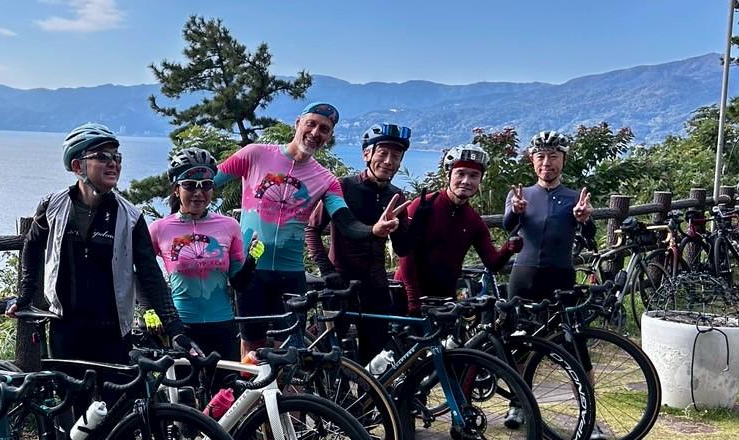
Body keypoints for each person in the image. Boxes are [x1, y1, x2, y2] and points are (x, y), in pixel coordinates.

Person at [13, 122, 192, 440]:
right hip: (66, 331)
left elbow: (151, 276)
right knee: (77, 421)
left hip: (113, 333)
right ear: (78, 166)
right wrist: (24, 295)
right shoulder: (53, 207)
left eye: (117, 158)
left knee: (121, 423)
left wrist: (175, 328)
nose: (113, 164)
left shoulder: (130, 216)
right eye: (103, 158)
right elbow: (31, 249)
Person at [214, 102, 357, 354]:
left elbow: (346, 222)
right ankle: (248, 381)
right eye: (311, 124)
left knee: (290, 349)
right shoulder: (254, 154)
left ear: (329, 136)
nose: (315, 133)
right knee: (251, 347)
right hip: (250, 271)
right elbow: (207, 182)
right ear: (298, 123)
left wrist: (375, 229)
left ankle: (284, 384)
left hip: (290, 275)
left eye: (324, 129)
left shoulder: (326, 180)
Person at [305, 123, 412, 363]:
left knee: (374, 358)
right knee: (326, 354)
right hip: (340, 283)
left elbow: (402, 248)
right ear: (367, 154)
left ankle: (364, 390)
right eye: (382, 153)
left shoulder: (396, 196)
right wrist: (327, 271)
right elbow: (312, 229)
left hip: (376, 286)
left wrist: (413, 224)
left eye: (396, 156)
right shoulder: (344, 187)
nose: (388, 161)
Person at [148, 146, 259, 372]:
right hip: (182, 327)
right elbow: (142, 272)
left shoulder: (229, 226)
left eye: (206, 185)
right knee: (187, 393)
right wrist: (148, 309)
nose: (199, 193)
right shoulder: (159, 229)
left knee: (227, 391)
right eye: (190, 185)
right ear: (176, 189)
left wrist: (252, 261)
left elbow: (239, 283)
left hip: (223, 326)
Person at [394, 143, 521, 314]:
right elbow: (406, 255)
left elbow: (492, 263)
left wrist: (509, 248)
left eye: (474, 175)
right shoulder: (424, 205)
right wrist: (413, 298)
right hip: (406, 296)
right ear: (449, 175)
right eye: (460, 173)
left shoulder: (473, 220)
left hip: (444, 299)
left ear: (480, 180)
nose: (466, 181)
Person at [502, 131, 595, 303]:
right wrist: (515, 211)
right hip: (523, 276)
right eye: (540, 157)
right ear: (532, 160)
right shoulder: (520, 195)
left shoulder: (575, 198)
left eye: (553, 156)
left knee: (561, 322)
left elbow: (590, 234)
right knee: (516, 321)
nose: (546, 163)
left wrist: (585, 220)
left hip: (561, 277)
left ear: (564, 159)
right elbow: (508, 226)